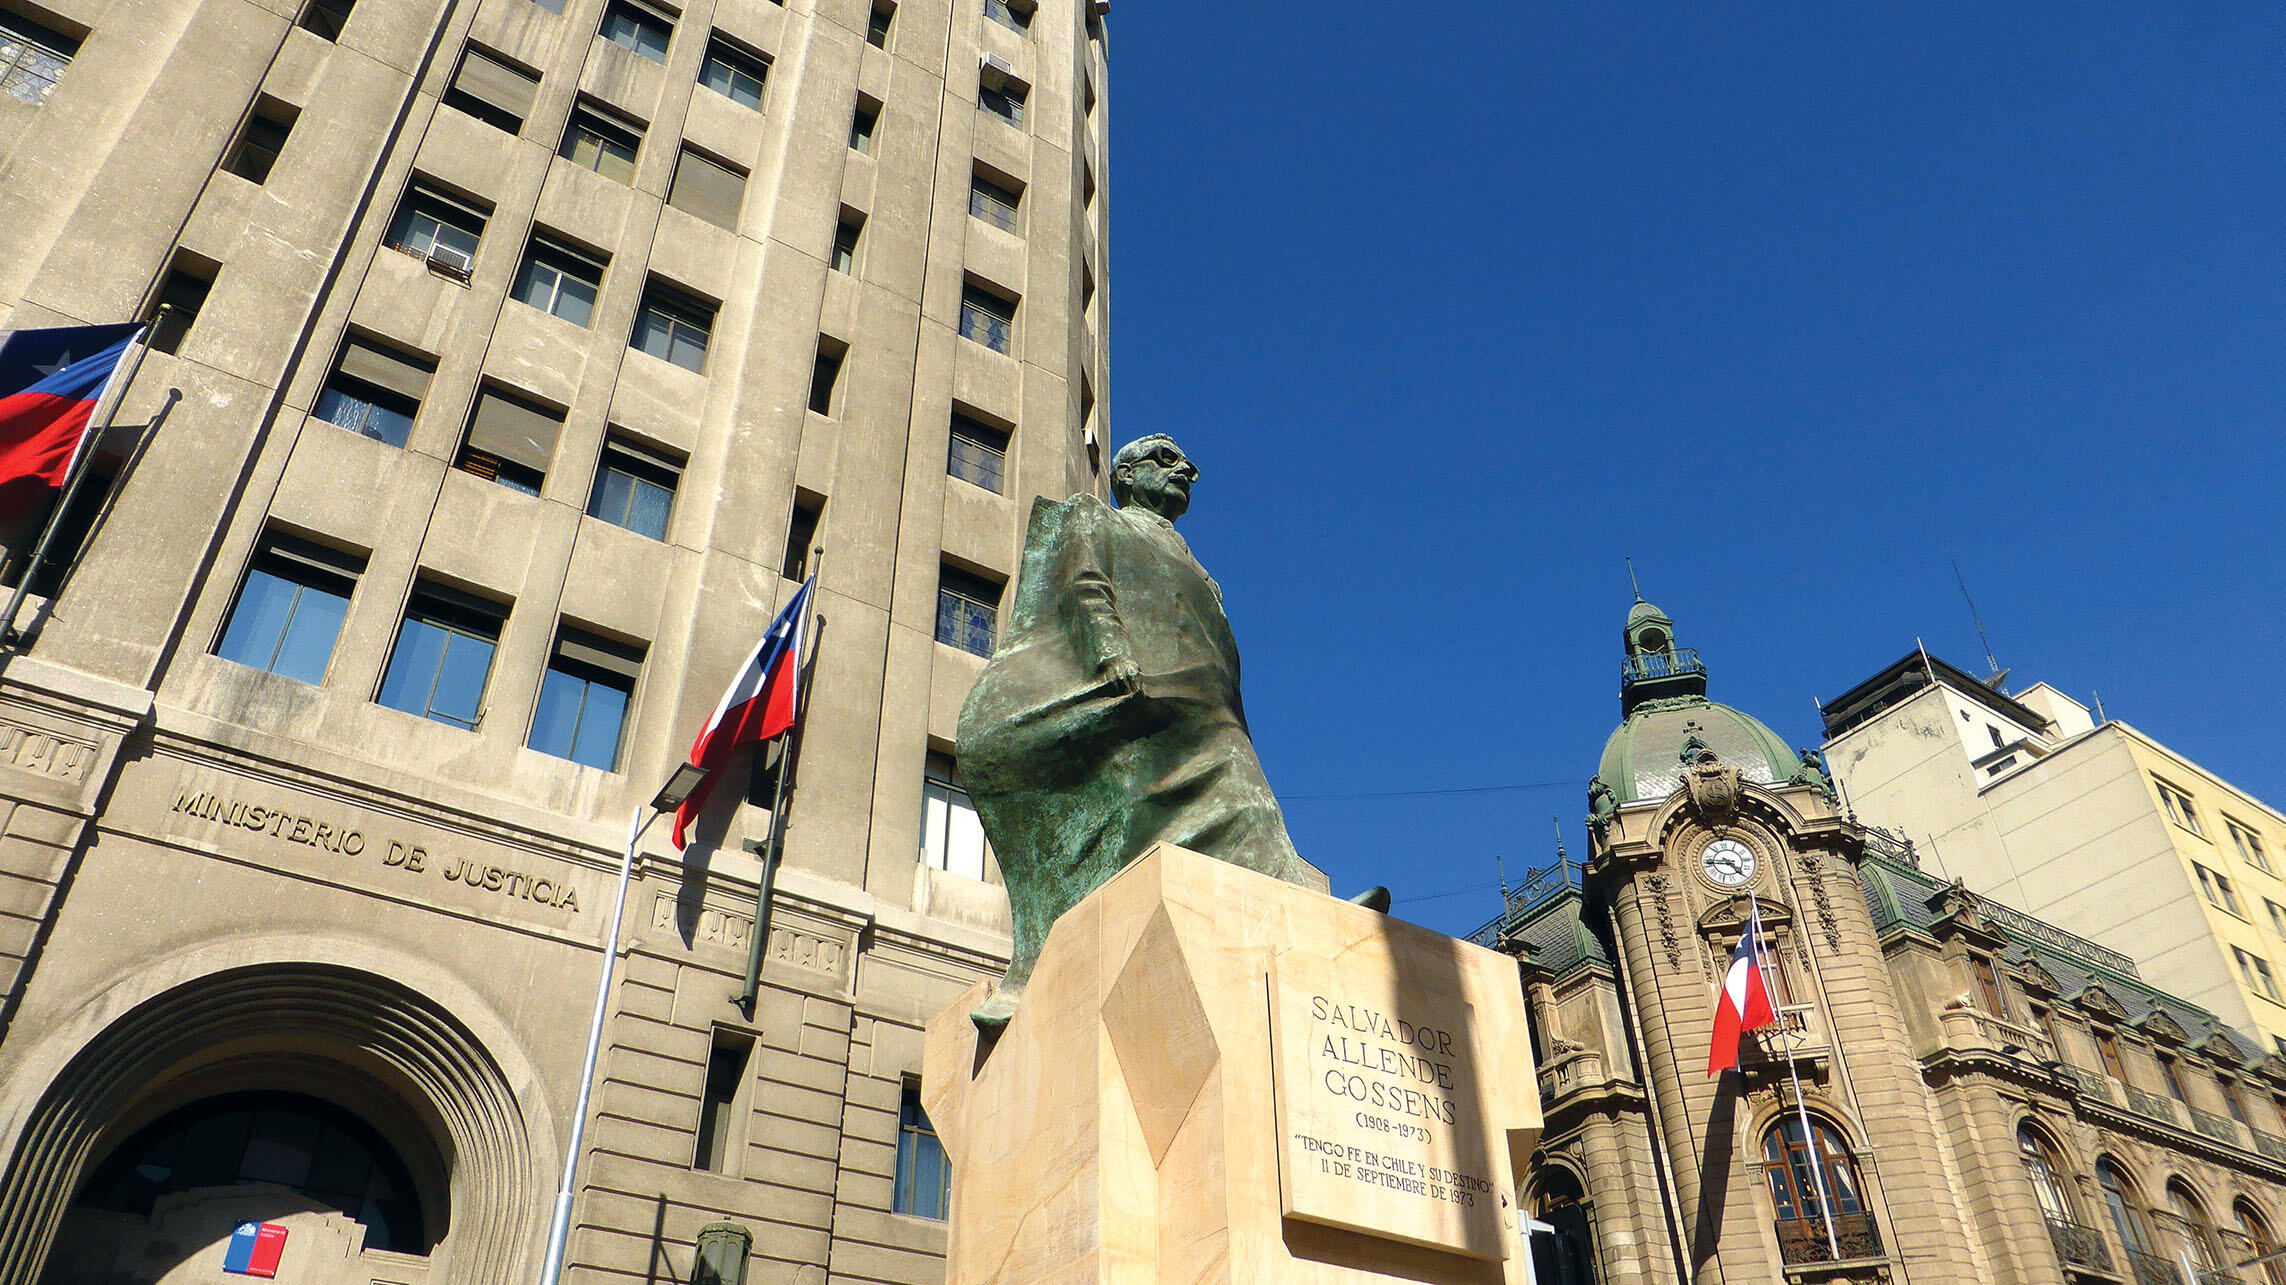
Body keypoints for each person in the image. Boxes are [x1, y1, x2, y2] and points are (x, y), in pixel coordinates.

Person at [955, 434, 1317, 1028]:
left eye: (1187, 464)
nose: (1188, 472)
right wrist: (1109, 652)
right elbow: (1083, 585)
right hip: (1127, 688)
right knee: (1228, 780)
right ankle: (1039, 966)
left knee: (1243, 792)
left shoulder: (1202, 571)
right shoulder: (1093, 516)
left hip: (1199, 710)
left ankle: (1294, 897)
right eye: (1167, 460)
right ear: (1125, 474)